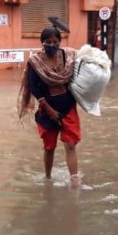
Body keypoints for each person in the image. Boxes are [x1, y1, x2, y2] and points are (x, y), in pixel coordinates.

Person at [18, 27, 82, 188]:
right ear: (42, 43)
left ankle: (75, 181)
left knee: (71, 145)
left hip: (68, 107)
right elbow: (34, 87)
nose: (52, 45)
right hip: (47, 111)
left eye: (55, 42)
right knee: (49, 148)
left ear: (60, 42)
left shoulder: (68, 57)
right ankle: (47, 178)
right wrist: (49, 110)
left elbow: (80, 74)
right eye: (48, 42)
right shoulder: (35, 62)